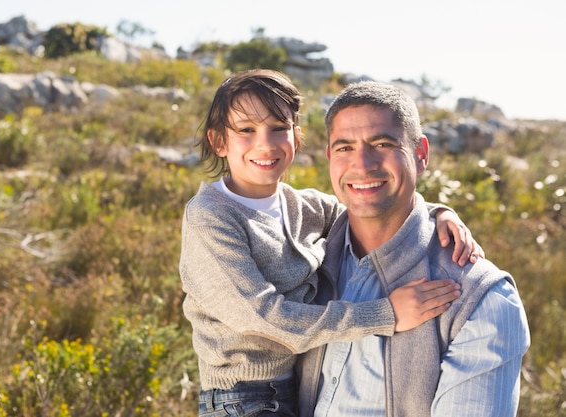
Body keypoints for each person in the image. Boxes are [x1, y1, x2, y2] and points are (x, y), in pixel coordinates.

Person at [179, 70, 482, 417]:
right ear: (219, 142)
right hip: (241, 400)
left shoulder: (305, 207)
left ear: (295, 135)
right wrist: (387, 313)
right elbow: (263, 320)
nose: (265, 143)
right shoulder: (210, 217)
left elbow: (373, 208)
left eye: (279, 127)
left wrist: (437, 213)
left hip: (292, 390)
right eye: (246, 130)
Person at [296, 80, 531, 417]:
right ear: (330, 157)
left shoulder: (480, 300)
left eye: (382, 143)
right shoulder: (303, 255)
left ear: (421, 155)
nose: (362, 164)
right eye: (345, 147)